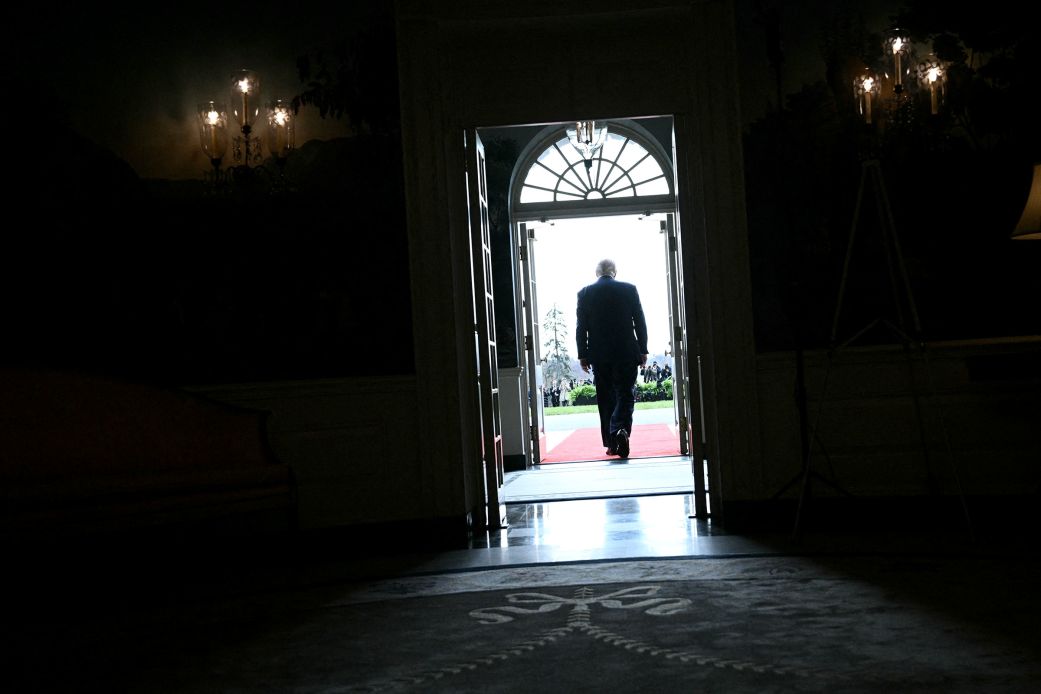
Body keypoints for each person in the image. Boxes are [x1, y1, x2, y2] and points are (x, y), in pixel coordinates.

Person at [575, 258, 649, 457]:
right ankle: (621, 430)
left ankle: (611, 443)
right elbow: (640, 321)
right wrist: (643, 349)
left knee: (606, 397)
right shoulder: (629, 289)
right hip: (626, 351)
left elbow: (581, 327)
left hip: (599, 354)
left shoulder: (585, 293)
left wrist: (583, 354)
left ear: (597, 273)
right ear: (615, 272)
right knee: (625, 394)